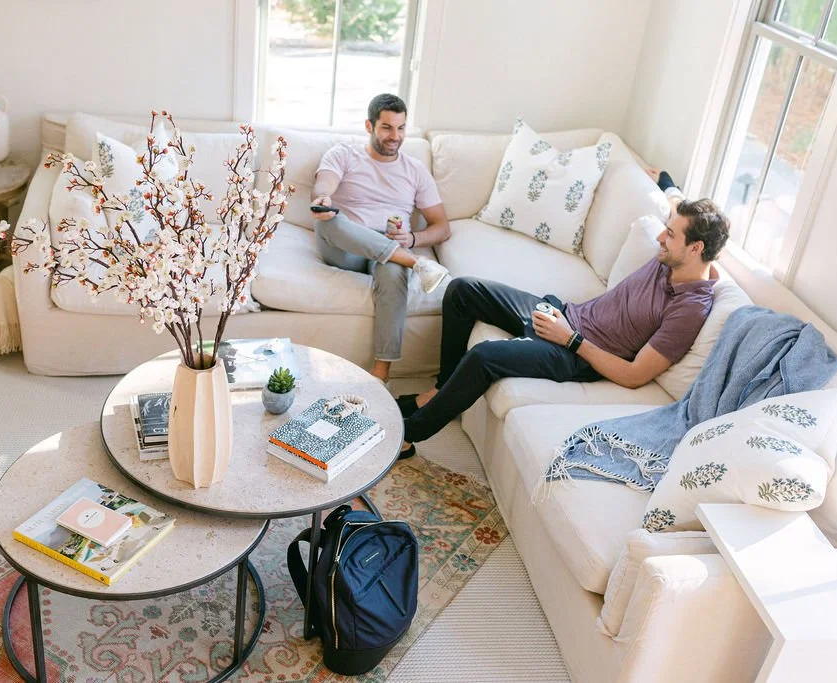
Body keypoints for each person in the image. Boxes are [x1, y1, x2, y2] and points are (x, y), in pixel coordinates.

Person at [395, 191, 731, 458]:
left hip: (575, 353)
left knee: (484, 357)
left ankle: (408, 435)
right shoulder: (674, 258)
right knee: (462, 290)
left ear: (696, 248)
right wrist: (664, 183)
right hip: (564, 314)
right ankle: (441, 391)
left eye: (670, 234)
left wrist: (570, 340)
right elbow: (675, 202)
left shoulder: (689, 310)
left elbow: (634, 375)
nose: (660, 237)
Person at [313, 93, 452, 383]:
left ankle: (380, 376)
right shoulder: (344, 154)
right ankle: (417, 264)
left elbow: (442, 227)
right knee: (327, 221)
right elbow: (324, 185)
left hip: (391, 247)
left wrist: (412, 238)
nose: (395, 136)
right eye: (387, 127)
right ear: (369, 125)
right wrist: (324, 198)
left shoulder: (414, 170)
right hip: (347, 245)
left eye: (401, 128)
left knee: (394, 272)